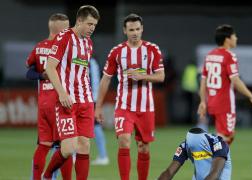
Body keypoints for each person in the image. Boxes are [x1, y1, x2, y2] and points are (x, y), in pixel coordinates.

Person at [95, 13, 165, 180]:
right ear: (125, 31)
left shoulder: (152, 49)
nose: (135, 32)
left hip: (146, 107)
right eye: (131, 29)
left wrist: (143, 76)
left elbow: (161, 76)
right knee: (124, 140)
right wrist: (97, 107)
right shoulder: (117, 52)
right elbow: (105, 79)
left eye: (138, 29)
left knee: (143, 147)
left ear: (142, 29)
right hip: (124, 106)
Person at [42, 5, 100, 180]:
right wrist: (62, 93)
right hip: (67, 101)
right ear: (79, 20)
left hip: (86, 100)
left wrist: (91, 99)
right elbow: (50, 67)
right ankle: (47, 175)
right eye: (89, 24)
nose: (92, 28)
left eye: (95, 25)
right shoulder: (64, 37)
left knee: (84, 146)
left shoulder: (88, 43)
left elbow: (82, 73)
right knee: (68, 148)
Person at [25, 13, 73, 180]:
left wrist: (42, 76)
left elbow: (29, 72)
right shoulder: (65, 47)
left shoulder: (39, 47)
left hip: (43, 103)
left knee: (43, 145)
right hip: (60, 101)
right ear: (61, 30)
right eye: (67, 28)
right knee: (65, 146)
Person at [197, 24, 252, 145]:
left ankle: (216, 161)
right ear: (227, 39)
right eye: (234, 36)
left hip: (212, 102)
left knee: (224, 135)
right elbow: (235, 80)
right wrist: (251, 96)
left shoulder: (210, 55)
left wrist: (203, 101)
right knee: (227, 137)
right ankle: (209, 160)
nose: (236, 38)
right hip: (225, 103)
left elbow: (203, 80)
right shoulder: (229, 56)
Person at [158, 127, 232, 180]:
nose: (191, 150)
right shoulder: (185, 145)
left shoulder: (218, 143)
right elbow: (169, 172)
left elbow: (215, 173)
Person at [90, 57, 110, 165]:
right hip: (93, 98)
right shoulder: (93, 62)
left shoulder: (89, 62)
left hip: (90, 99)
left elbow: (93, 82)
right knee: (95, 127)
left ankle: (103, 156)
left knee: (95, 126)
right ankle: (103, 155)